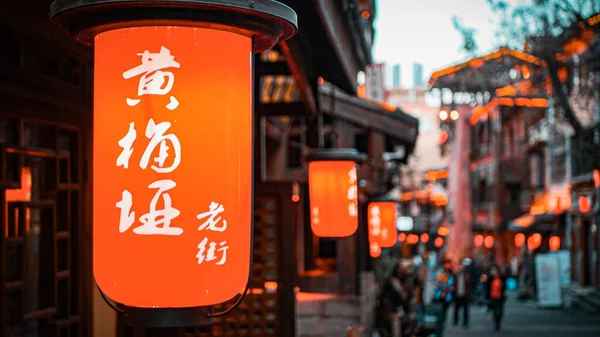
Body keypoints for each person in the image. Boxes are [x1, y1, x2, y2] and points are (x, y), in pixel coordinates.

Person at [432, 258, 455, 337]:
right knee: (439, 315)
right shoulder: (440, 276)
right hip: (439, 298)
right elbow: (436, 284)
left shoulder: (451, 278)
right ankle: (439, 329)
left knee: (444, 314)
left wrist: (444, 287)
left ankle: (441, 327)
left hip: (446, 298)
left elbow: (451, 287)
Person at [485, 265, 507, 331]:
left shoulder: (501, 278)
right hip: (493, 297)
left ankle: (499, 322)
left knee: (500, 312)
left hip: (500, 297)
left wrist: (502, 286)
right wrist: (487, 297)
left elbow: (504, 287)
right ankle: (496, 324)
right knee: (494, 312)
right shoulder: (490, 279)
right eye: (492, 270)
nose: (493, 272)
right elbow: (487, 289)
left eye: (494, 270)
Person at [453, 258, 473, 328]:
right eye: (460, 265)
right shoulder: (456, 274)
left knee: (466, 309)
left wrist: (470, 294)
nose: (461, 266)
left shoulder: (467, 274)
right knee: (456, 309)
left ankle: (465, 322)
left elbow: (470, 285)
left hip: (465, 294)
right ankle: (455, 321)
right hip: (458, 294)